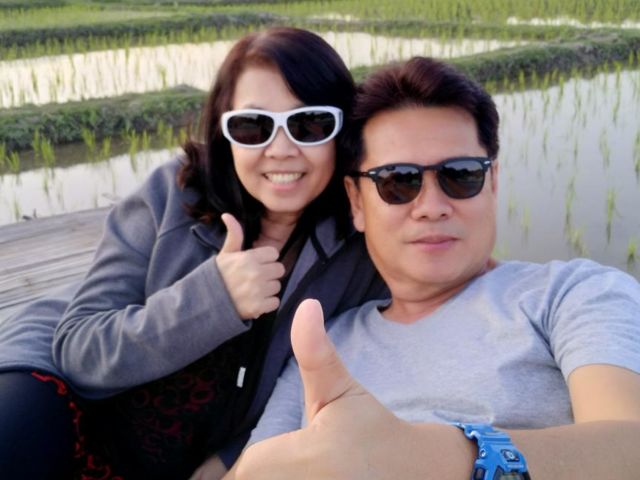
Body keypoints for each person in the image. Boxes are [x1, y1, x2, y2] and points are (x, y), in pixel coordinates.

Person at [225, 57, 640, 479]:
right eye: (397, 181)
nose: (432, 207)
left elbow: (630, 447)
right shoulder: (322, 345)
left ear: (493, 182)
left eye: (460, 175)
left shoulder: (571, 295)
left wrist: (434, 457)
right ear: (356, 202)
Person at [0, 27, 387, 480]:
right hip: (71, 397)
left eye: (310, 124)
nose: (281, 150)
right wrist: (214, 299)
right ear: (225, 133)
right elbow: (79, 352)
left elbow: (335, 384)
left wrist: (235, 455)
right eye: (253, 126)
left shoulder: (361, 246)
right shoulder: (173, 195)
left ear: (343, 132)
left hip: (187, 454)